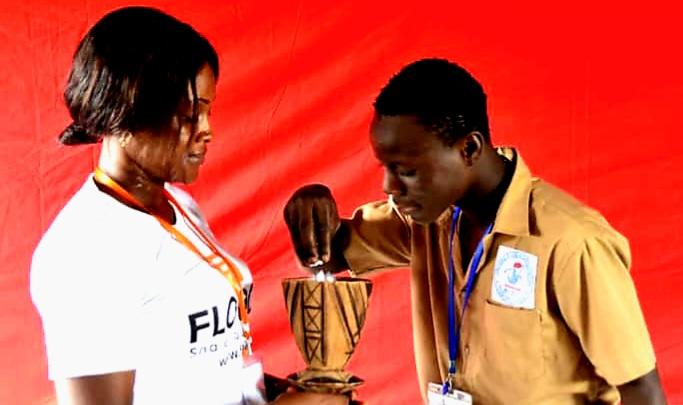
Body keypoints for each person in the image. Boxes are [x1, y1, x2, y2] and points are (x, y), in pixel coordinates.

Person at [283, 58, 667, 404]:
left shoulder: (571, 242)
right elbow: (326, 258)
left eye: (407, 171)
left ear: (469, 148)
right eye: (385, 167)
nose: (389, 187)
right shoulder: (424, 221)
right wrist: (310, 205)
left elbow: (642, 391)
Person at [30, 6, 347, 405]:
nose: (207, 130)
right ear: (125, 112)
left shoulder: (176, 204)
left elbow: (195, 370)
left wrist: (280, 392)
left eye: (208, 112)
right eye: (189, 115)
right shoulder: (87, 252)